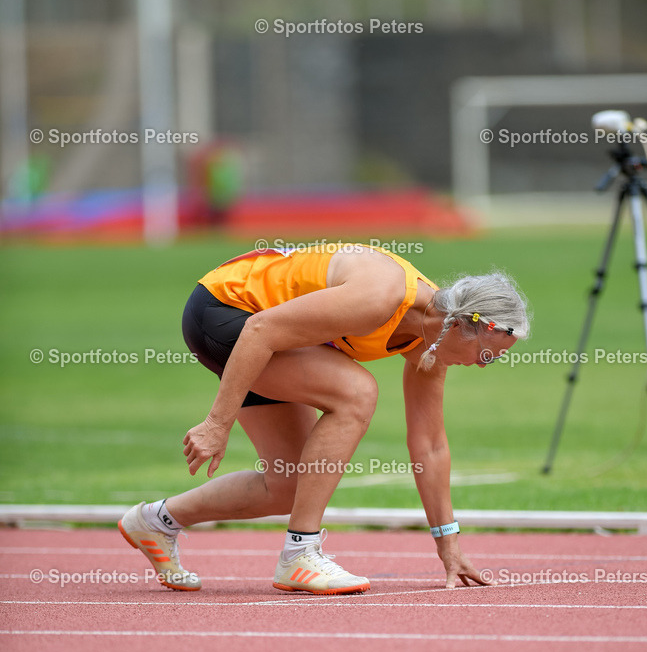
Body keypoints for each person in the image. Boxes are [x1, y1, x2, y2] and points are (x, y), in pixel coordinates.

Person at [119, 243, 530, 595]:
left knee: (288, 483)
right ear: (461, 324)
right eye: (488, 353)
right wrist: (217, 423)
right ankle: (300, 554)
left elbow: (430, 445)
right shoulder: (380, 296)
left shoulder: (429, 348)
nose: (484, 365)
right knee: (357, 392)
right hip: (226, 310)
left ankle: (157, 521)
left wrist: (448, 546)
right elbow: (261, 330)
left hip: (263, 335)